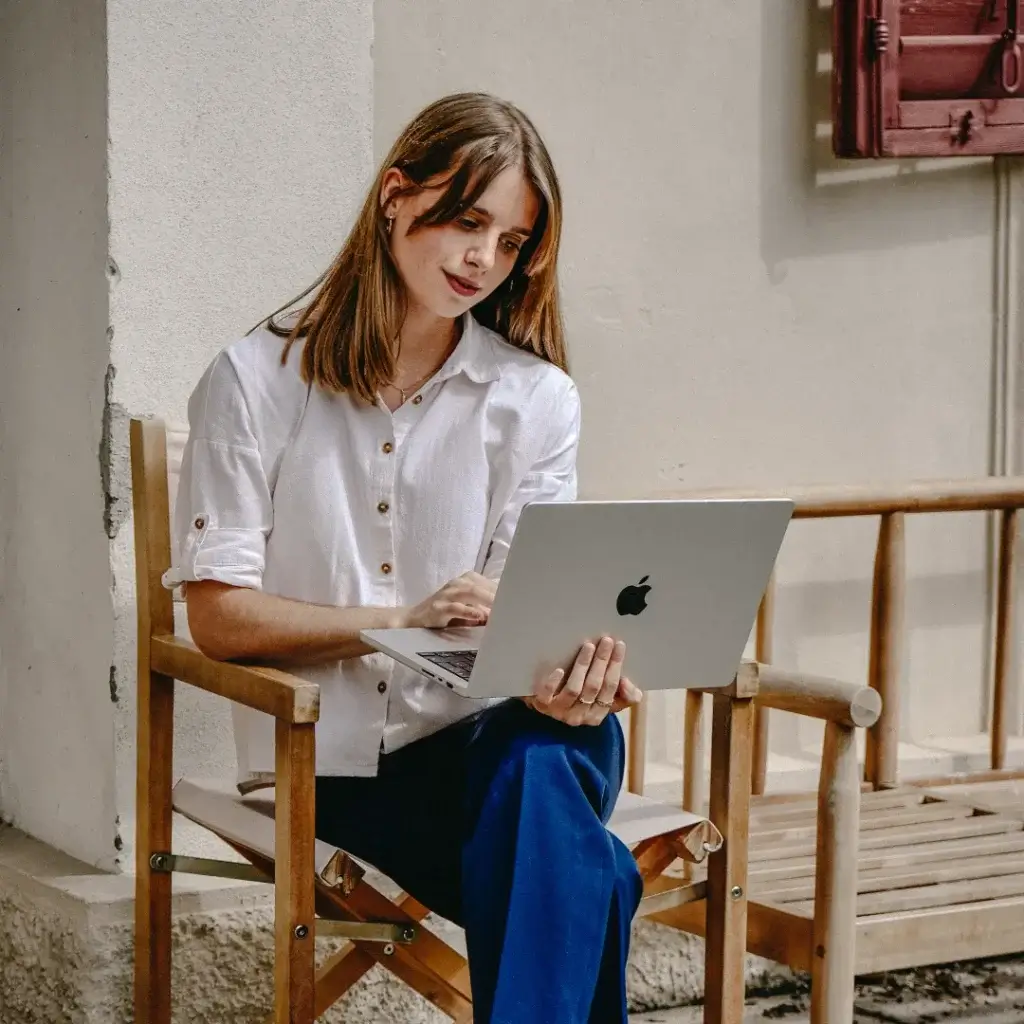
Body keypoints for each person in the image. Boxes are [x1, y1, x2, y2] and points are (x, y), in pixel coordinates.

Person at [165, 91, 645, 1024]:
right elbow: (218, 617)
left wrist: (571, 671)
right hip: (337, 768)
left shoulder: (536, 399)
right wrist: (402, 621)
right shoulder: (255, 384)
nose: (484, 259)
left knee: (549, 751)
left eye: (511, 243)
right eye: (469, 221)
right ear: (396, 196)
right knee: (594, 871)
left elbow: (521, 607)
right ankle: (584, 856)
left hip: (509, 734)